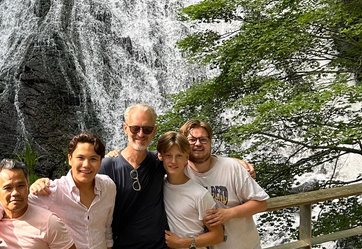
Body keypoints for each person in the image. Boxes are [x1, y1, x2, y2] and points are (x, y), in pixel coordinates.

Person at [0, 133, 115, 249]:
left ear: (100, 162)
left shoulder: (108, 186)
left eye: (93, 159)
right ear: (70, 159)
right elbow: (11, 200)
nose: (86, 165)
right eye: (80, 158)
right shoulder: (51, 192)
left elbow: (106, 229)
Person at [180, 120, 269, 249]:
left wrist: (230, 213)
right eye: (192, 140)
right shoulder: (179, 172)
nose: (198, 144)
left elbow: (261, 203)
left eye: (203, 139)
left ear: (210, 142)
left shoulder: (232, 168)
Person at [97, 103, 167, 249]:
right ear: (125, 129)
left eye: (147, 129)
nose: (141, 134)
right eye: (135, 128)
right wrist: (45, 184)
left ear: (154, 131)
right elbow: (79, 189)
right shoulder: (108, 166)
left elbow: (190, 162)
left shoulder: (161, 162)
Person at [0, 159, 76, 249]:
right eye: (8, 188)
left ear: (28, 188)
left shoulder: (49, 223)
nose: (15, 193)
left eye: (20, 186)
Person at [156, 132, 223, 249]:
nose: (173, 161)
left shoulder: (200, 195)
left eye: (179, 156)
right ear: (160, 156)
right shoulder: (158, 186)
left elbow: (217, 235)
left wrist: (182, 243)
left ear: (187, 158)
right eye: (168, 155)